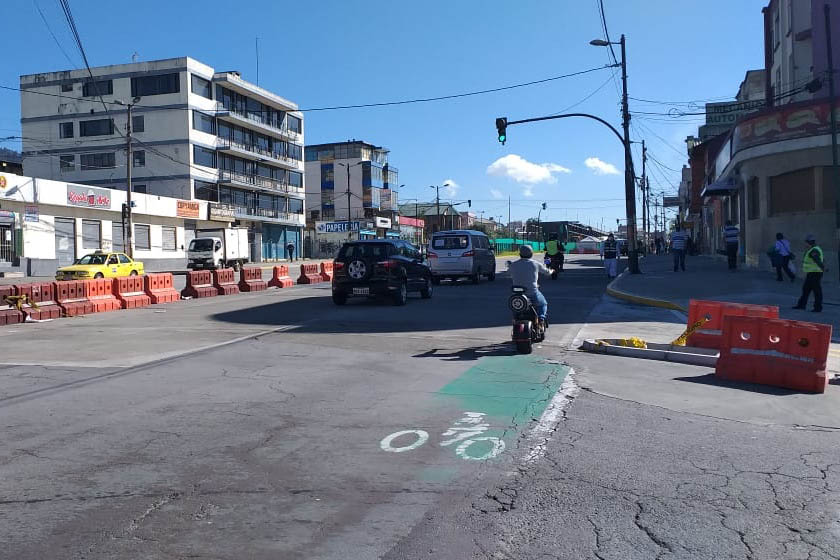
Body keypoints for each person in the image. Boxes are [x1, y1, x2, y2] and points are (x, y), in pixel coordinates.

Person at [509, 245, 551, 326]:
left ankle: (515, 319)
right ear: (531, 254)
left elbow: (507, 273)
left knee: (516, 306)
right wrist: (552, 271)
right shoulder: (536, 264)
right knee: (543, 304)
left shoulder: (513, 265)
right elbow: (547, 272)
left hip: (517, 294)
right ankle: (541, 320)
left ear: (520, 254)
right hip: (532, 293)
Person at [794, 234, 825, 312]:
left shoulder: (814, 250)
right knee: (806, 289)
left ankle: (818, 308)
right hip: (811, 273)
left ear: (809, 242)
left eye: (806, 242)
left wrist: (823, 267)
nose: (805, 244)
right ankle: (801, 305)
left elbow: (817, 260)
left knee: (816, 291)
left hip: (815, 273)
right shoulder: (814, 249)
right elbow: (822, 259)